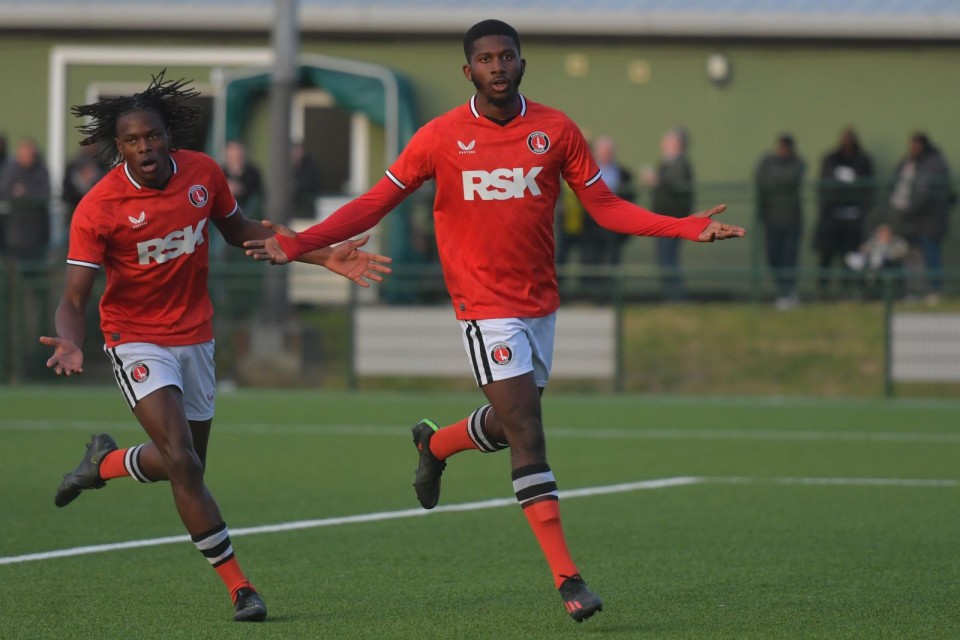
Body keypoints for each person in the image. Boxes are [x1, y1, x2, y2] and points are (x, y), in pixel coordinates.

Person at [245, 19, 744, 623]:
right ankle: (569, 580)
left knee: (512, 424)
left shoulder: (556, 130)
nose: (498, 66)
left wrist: (686, 227)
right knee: (528, 429)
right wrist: (299, 245)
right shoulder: (440, 136)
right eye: (485, 59)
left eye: (507, 56)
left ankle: (435, 443)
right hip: (484, 307)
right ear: (469, 71)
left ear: (522, 63)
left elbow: (606, 208)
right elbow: (376, 200)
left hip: (540, 304)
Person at [39, 71, 392, 622]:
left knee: (188, 464)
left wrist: (321, 255)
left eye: (152, 136)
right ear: (119, 146)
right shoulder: (99, 206)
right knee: (182, 459)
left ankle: (102, 464)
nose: (144, 148)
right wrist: (69, 338)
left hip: (195, 336)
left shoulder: (203, 174)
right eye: (131, 141)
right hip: (135, 339)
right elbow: (73, 296)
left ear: (168, 135)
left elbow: (241, 230)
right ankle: (240, 589)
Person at [886, 132, 955, 303]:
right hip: (912, 222)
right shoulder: (909, 162)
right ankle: (913, 291)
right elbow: (897, 182)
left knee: (931, 256)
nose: (913, 149)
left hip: (930, 222)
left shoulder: (934, 163)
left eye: (916, 146)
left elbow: (924, 195)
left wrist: (907, 210)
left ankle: (934, 291)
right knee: (910, 257)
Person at [813, 128, 874, 298]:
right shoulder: (831, 159)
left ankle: (849, 291)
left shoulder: (862, 160)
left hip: (853, 217)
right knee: (827, 255)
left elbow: (868, 187)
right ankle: (822, 291)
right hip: (832, 217)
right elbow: (824, 183)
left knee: (851, 257)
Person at [755, 134, 806, 310]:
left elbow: (790, 179)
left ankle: (788, 292)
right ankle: (782, 290)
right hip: (771, 219)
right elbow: (761, 179)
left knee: (789, 258)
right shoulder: (767, 162)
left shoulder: (797, 163)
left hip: (791, 219)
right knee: (773, 257)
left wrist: (774, 179)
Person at [579, 135, 635, 290]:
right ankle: (588, 291)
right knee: (590, 258)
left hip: (613, 225)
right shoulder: (585, 171)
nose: (606, 154)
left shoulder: (624, 174)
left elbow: (630, 196)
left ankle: (611, 291)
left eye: (609, 151)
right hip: (590, 224)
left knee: (611, 258)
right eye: (603, 151)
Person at [645, 128, 694, 301]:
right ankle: (670, 294)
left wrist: (657, 181)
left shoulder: (680, 164)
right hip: (664, 219)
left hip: (672, 219)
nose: (663, 144)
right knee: (664, 257)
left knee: (669, 258)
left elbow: (674, 184)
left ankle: (674, 296)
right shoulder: (666, 164)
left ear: (677, 144)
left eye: (667, 141)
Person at [0, 137, 52, 259]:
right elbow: (5, 191)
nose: (28, 158)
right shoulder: (11, 170)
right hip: (15, 231)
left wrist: (25, 192)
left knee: (35, 264)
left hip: (37, 231)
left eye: (31, 155)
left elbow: (45, 193)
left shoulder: (41, 169)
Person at [62, 143, 107, 223]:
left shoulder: (103, 166)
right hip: (75, 212)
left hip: (97, 215)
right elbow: (66, 192)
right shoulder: (73, 166)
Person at [222, 140, 264, 218]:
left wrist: (238, 189)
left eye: (238, 157)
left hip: (248, 214)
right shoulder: (221, 172)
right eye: (232, 157)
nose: (236, 160)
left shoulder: (252, 172)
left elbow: (255, 194)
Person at [290, 140, 321, 217]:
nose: (297, 154)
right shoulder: (286, 168)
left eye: (300, 151)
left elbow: (311, 183)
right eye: (296, 151)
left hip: (306, 207)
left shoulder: (309, 167)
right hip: (292, 208)